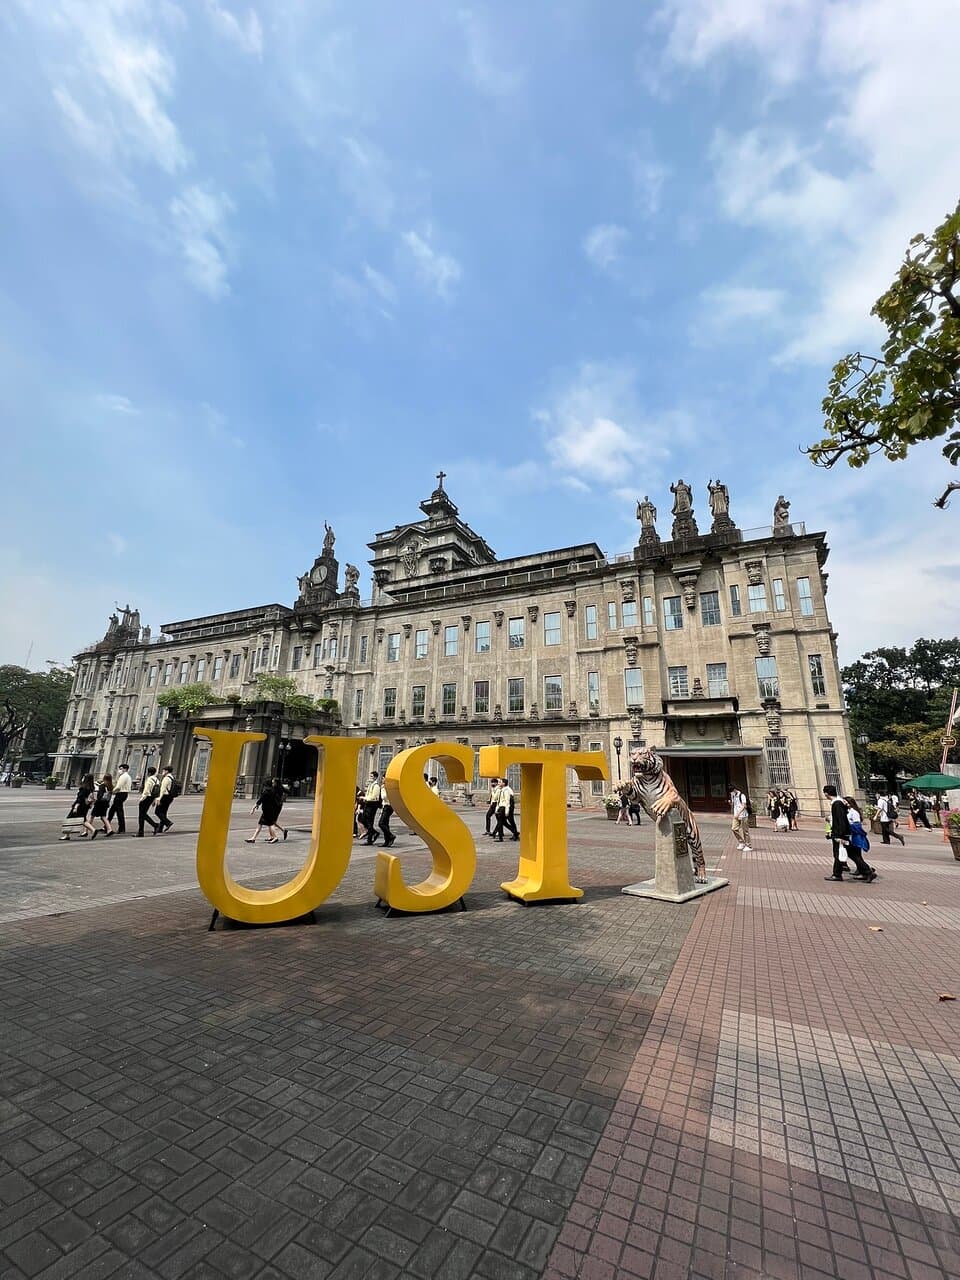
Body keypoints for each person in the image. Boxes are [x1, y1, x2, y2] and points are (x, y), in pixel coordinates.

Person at [824, 784, 876, 881]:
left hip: (841, 834)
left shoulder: (837, 804)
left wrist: (840, 835)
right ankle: (867, 871)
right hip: (843, 833)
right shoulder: (839, 802)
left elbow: (841, 820)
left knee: (838, 853)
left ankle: (837, 874)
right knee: (852, 854)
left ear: (826, 794)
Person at [246, 778, 288, 843]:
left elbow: (260, 800)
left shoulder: (266, 791)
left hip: (267, 811)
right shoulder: (273, 790)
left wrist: (253, 808)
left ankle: (274, 837)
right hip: (270, 809)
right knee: (262, 823)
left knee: (271, 824)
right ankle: (253, 838)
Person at [61, 774, 95, 840]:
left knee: (69, 818)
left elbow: (80, 798)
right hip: (86, 806)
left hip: (80, 805)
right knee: (83, 819)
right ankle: (93, 830)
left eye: (83, 777)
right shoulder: (91, 788)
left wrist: (76, 806)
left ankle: (67, 835)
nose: (82, 778)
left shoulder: (83, 788)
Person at [109, 763, 132, 834]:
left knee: (119, 811)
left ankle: (122, 828)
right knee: (112, 810)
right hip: (124, 794)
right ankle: (106, 825)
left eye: (121, 769)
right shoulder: (128, 776)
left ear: (125, 769)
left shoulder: (123, 776)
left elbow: (118, 787)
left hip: (121, 794)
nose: (119, 770)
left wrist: (112, 792)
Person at [137, 767, 160, 837]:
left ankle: (141, 832)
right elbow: (157, 791)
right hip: (152, 797)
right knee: (144, 814)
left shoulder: (149, 779)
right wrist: (155, 799)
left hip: (146, 798)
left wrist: (142, 798)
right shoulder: (157, 780)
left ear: (149, 772)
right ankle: (155, 825)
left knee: (141, 815)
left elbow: (146, 790)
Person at [154, 765, 177, 834]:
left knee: (157, 811)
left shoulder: (166, 778)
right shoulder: (172, 777)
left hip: (164, 796)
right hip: (170, 797)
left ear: (166, 771)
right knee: (163, 812)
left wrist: (158, 798)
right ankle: (160, 828)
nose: (162, 772)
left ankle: (168, 822)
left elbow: (163, 789)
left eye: (163, 771)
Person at [90, 774, 113, 839]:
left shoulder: (102, 785)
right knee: (103, 816)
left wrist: (95, 800)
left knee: (92, 816)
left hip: (99, 803)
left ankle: (88, 830)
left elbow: (99, 796)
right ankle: (109, 829)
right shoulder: (110, 786)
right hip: (106, 803)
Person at [730, 787, 752, 852]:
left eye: (732, 792)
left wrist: (738, 813)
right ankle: (741, 842)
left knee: (745, 831)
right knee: (734, 829)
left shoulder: (742, 795)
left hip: (743, 815)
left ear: (734, 790)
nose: (731, 793)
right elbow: (734, 805)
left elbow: (744, 805)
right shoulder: (733, 796)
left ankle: (748, 845)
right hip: (736, 816)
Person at [363, 772, 382, 845]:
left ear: (375, 777)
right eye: (370, 776)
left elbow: (374, 797)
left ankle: (370, 839)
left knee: (370, 821)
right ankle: (374, 832)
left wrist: (365, 798)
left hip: (372, 804)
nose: (370, 778)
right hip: (367, 803)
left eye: (371, 776)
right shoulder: (370, 785)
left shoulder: (376, 786)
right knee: (364, 819)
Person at [377, 780, 395, 847]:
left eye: (384, 778)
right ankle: (387, 841)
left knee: (381, 823)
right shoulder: (382, 787)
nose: (382, 779)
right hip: (384, 806)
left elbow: (385, 797)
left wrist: (384, 788)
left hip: (388, 806)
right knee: (385, 824)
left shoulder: (388, 788)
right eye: (382, 778)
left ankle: (391, 836)